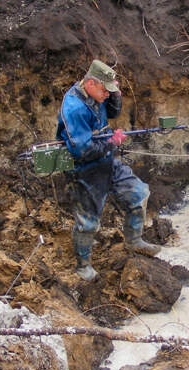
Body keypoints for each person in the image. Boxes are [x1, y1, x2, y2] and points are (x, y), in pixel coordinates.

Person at [56, 59, 160, 281]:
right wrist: (113, 142)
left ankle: (134, 241)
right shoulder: (74, 108)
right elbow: (82, 150)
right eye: (105, 90)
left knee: (139, 194)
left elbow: (111, 113)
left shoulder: (96, 94)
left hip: (106, 161)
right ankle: (83, 266)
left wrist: (115, 95)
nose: (106, 94)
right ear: (91, 83)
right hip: (84, 169)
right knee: (88, 222)